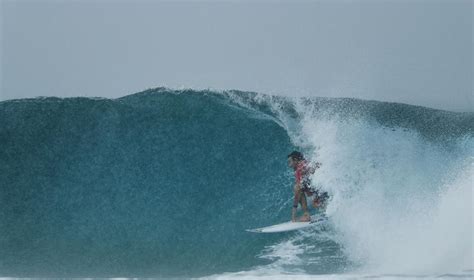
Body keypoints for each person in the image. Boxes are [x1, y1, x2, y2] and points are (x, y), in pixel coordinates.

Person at [287, 151, 329, 222]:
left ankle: (306, 215)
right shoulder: (305, 163)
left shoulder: (300, 169)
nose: (289, 165)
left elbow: (297, 191)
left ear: (296, 160)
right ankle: (330, 211)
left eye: (290, 162)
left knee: (297, 188)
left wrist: (294, 212)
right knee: (316, 203)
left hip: (322, 190)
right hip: (326, 187)